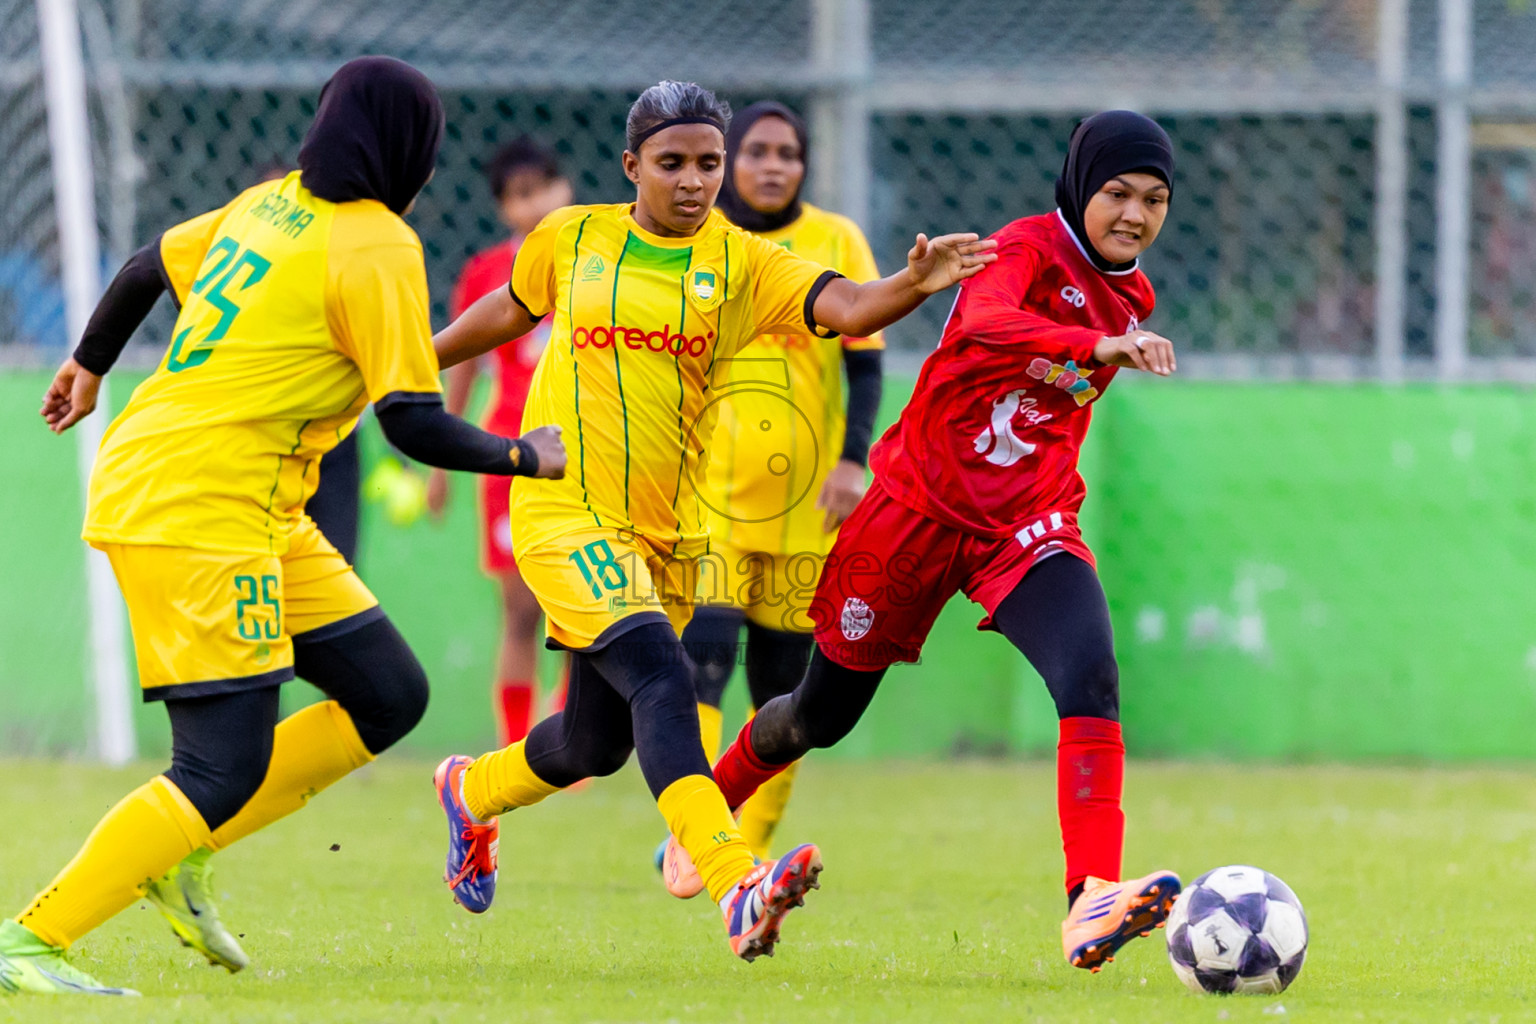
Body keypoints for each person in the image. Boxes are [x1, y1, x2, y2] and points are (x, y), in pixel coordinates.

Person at [1, 56, 565, 997]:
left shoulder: (269, 204)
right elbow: (410, 423)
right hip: (200, 506)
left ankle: (180, 855)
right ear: (406, 151)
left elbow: (147, 265)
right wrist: (525, 455)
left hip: (241, 500)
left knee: (388, 695)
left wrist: (90, 365)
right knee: (219, 766)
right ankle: (30, 941)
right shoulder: (379, 243)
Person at [429, 80, 994, 963]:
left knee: (593, 743)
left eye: (707, 162)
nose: (693, 180)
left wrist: (912, 284)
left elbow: (849, 308)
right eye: (672, 163)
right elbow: (510, 308)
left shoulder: (742, 262)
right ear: (632, 165)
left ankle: (471, 793)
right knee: (665, 678)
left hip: (668, 529)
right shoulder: (572, 237)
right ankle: (737, 884)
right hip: (564, 510)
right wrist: (416, 361)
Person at [674, 110, 1184, 973]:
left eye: (1155, 200)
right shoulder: (1023, 249)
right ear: (1079, 187)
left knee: (1091, 675)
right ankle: (709, 809)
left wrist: (1105, 339)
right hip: (912, 513)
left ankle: (1090, 896)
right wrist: (1094, 344)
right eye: (1117, 193)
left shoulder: (1133, 296)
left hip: (1025, 522)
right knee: (820, 715)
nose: (1134, 215)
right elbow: (984, 321)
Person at [662, 101, 885, 879]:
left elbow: (865, 364)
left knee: (785, 691)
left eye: (787, 153)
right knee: (701, 664)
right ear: (731, 161)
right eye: (756, 151)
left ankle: (750, 848)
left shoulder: (836, 240)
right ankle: (701, 838)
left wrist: (853, 461)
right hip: (708, 499)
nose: (772, 165)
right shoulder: (697, 240)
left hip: (804, 508)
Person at [427, 137, 575, 747]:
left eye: (544, 188)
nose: (535, 204)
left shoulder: (596, 261)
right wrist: (439, 464)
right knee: (521, 609)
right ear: (502, 208)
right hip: (512, 458)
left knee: (582, 610)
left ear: (565, 188)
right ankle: (518, 749)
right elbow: (462, 369)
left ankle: (571, 745)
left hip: (586, 454)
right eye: (519, 195)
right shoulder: (487, 274)